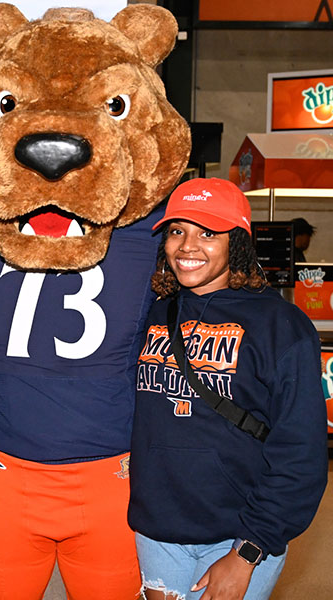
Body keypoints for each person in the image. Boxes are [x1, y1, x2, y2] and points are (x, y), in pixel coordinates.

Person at [129, 178, 328, 600]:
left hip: (241, 534)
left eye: (208, 233)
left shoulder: (282, 326)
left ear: (237, 241)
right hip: (158, 529)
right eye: (177, 231)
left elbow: (302, 453)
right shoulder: (157, 312)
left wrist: (249, 550)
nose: (187, 246)